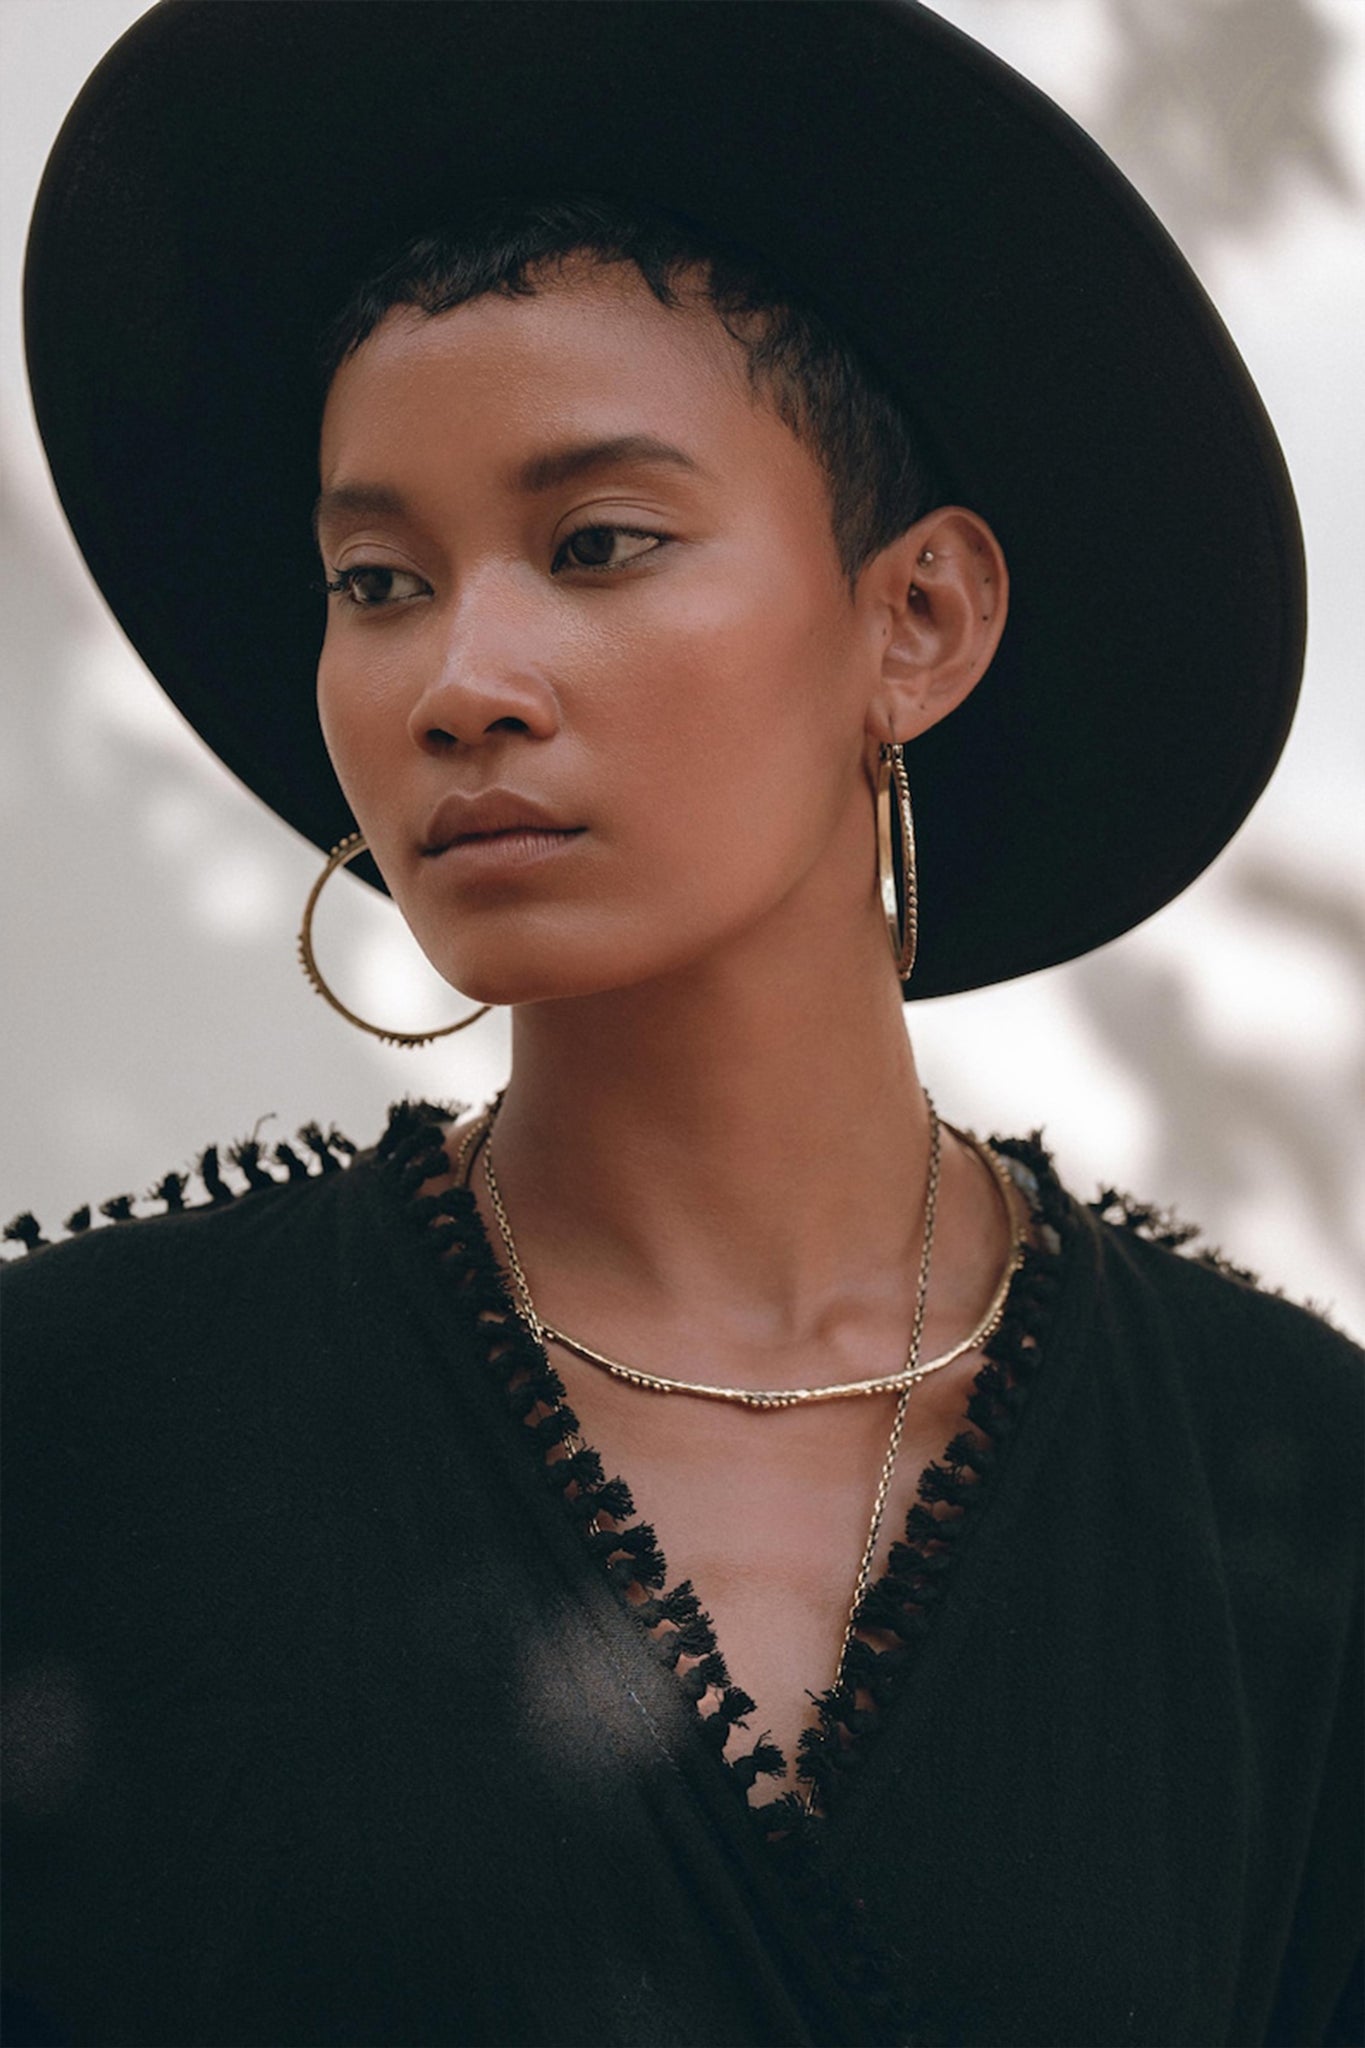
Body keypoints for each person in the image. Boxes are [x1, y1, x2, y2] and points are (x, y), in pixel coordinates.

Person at [3, 5, 1360, 2046]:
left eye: (595, 543)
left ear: (912, 624)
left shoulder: (1289, 1495)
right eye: (373, 579)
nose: (460, 675)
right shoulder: (72, 1431)